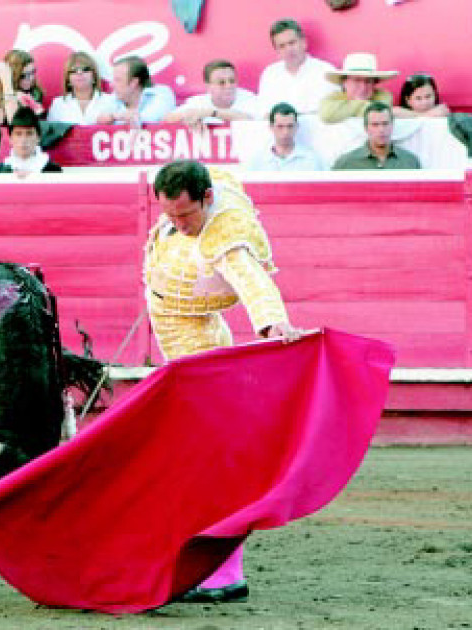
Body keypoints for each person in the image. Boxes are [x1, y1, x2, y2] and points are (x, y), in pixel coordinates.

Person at [143, 159, 302, 603]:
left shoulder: (223, 234)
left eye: (185, 215)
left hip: (193, 344)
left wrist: (273, 326)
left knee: (206, 465)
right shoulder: (211, 189)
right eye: (169, 215)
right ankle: (217, 569)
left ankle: (221, 573)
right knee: (204, 460)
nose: (177, 225)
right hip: (197, 335)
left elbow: (253, 283)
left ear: (207, 200)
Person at [257, 18, 337, 115]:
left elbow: (330, 113)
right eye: (282, 46)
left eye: (292, 43)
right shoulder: (270, 74)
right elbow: (264, 112)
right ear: (276, 50)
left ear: (303, 42)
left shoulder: (326, 71)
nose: (288, 50)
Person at [165, 59, 261, 131]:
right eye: (221, 82)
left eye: (232, 81)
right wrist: (189, 118)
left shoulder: (249, 98)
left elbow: (251, 120)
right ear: (209, 86)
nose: (228, 86)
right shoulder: (199, 101)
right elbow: (167, 119)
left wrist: (211, 113)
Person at [331, 101, 421, 170]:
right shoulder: (345, 163)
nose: (381, 130)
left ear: (392, 125)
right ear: (366, 128)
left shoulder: (410, 162)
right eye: (375, 125)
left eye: (385, 124)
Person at [319, 53, 396, 124]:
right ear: (344, 82)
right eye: (357, 80)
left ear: (374, 84)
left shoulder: (383, 95)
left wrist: (344, 109)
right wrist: (366, 106)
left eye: (368, 81)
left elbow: (379, 113)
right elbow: (327, 115)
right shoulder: (333, 97)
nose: (363, 87)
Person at [97, 55, 175, 126]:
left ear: (134, 83)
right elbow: (99, 118)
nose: (111, 85)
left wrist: (129, 117)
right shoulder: (114, 97)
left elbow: (152, 119)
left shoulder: (161, 93)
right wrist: (112, 116)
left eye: (117, 80)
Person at [245, 102, 323, 171]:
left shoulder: (312, 160)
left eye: (290, 126)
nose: (285, 132)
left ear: (297, 127)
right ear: (271, 127)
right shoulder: (257, 161)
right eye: (280, 126)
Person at [46, 51, 116, 125]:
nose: (79, 73)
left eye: (85, 69)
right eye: (73, 70)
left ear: (94, 76)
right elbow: (51, 134)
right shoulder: (58, 104)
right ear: (68, 79)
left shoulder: (110, 101)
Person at [3, 106, 62, 173]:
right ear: (10, 139)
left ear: (38, 137)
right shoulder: (2, 170)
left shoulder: (53, 170)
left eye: (29, 134)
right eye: (18, 134)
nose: (23, 140)